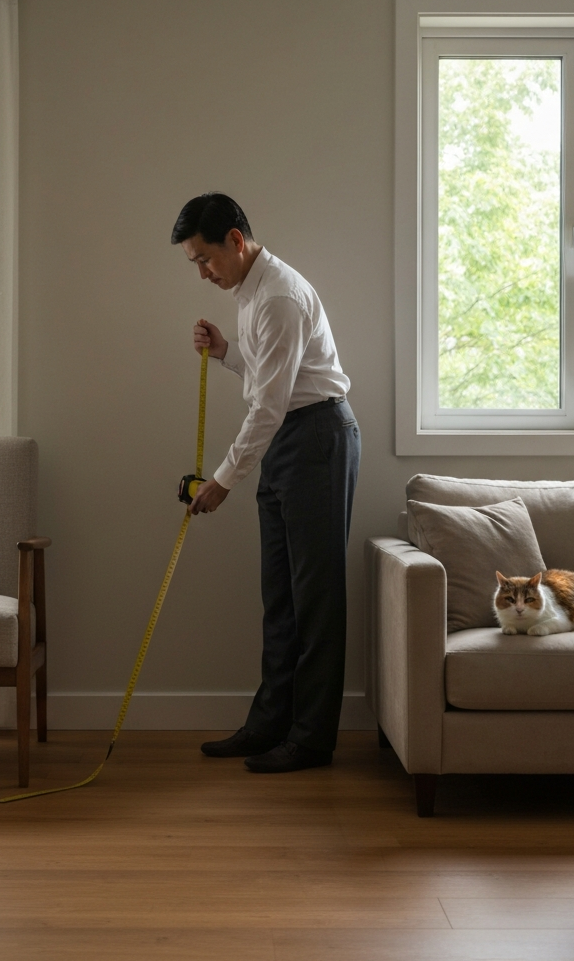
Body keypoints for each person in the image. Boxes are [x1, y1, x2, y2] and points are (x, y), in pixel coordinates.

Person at [172, 192, 360, 774]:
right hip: (288, 442)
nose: (203, 273)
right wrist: (229, 354)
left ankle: (311, 740)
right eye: (194, 265)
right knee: (280, 597)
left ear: (235, 239)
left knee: (315, 599)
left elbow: (271, 405)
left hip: (315, 442)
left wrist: (223, 480)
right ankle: (269, 724)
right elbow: (271, 378)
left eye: (205, 259)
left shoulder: (278, 296)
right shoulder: (250, 291)